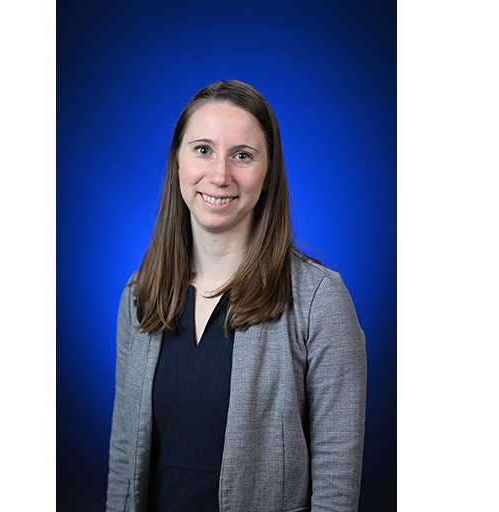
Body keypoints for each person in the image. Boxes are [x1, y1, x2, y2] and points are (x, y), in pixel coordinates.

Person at [106, 80, 366, 512]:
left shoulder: (320, 300)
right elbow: (123, 457)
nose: (220, 175)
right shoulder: (139, 295)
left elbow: (337, 482)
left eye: (242, 155)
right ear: (177, 163)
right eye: (203, 150)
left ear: (267, 174)